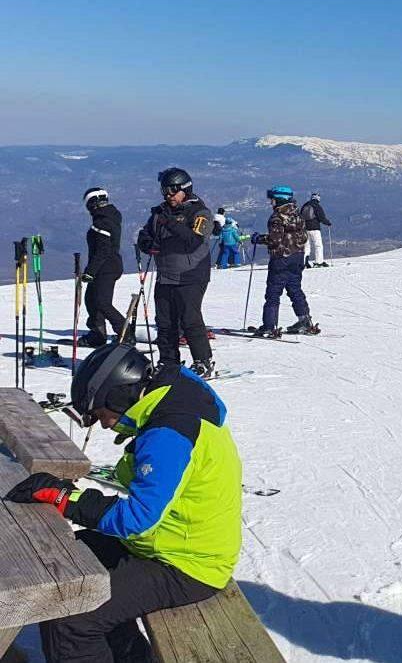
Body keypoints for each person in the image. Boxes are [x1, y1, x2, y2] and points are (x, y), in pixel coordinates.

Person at [5, 343, 241, 662]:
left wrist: (64, 498)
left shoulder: (169, 433)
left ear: (119, 395)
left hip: (188, 564)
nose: (104, 424)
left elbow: (137, 518)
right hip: (165, 544)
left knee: (72, 616)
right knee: (67, 560)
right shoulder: (171, 398)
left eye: (103, 414)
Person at [136, 167, 216, 377]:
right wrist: (146, 243)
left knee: (190, 319)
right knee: (165, 322)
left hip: (191, 274)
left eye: (173, 191)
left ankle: (203, 361)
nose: (168, 196)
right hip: (165, 274)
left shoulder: (200, 212)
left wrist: (169, 223)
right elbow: (146, 233)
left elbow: (193, 240)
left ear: (185, 190)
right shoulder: (160, 213)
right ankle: (169, 362)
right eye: (165, 191)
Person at [250, 186, 318, 337]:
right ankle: (305, 320)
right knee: (295, 289)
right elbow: (303, 237)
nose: (271, 203)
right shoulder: (298, 215)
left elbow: (274, 240)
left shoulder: (277, 217)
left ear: (279, 200)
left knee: (273, 292)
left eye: (272, 200)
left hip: (281, 258)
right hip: (298, 257)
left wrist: (258, 239)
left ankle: (269, 326)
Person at [79, 188, 128, 347]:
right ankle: (97, 334)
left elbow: (103, 250)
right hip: (106, 266)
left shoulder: (103, 221)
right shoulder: (109, 217)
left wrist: (90, 272)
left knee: (102, 302)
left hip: (106, 268)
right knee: (91, 299)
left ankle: (126, 333)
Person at [300, 191, 333, 268]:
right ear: (318, 199)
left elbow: (300, 216)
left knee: (306, 246)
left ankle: (304, 263)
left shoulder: (305, 205)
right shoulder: (317, 206)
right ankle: (318, 262)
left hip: (304, 228)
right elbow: (321, 218)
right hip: (315, 228)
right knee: (318, 245)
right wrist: (328, 223)